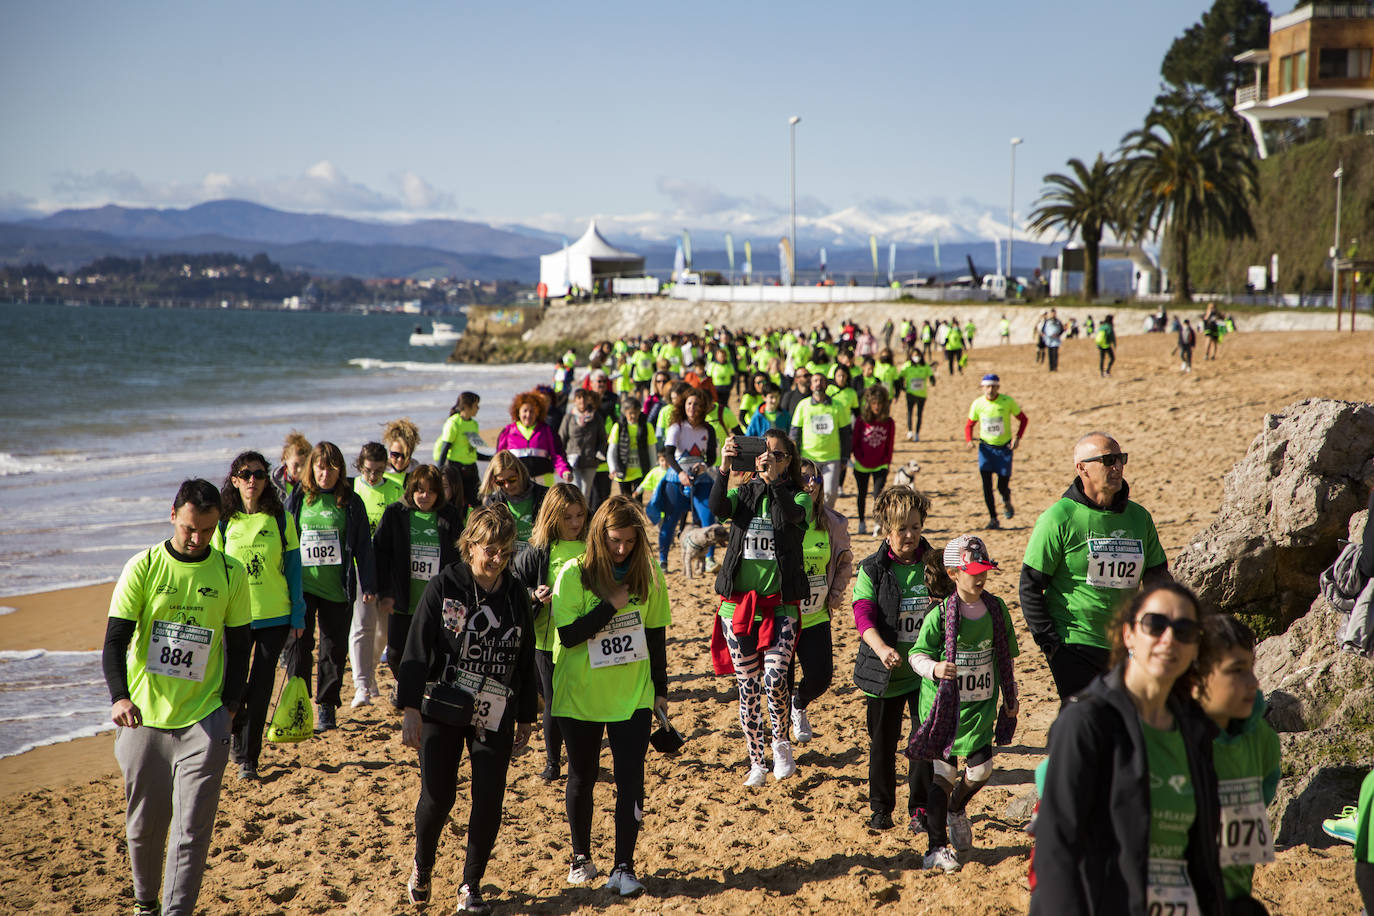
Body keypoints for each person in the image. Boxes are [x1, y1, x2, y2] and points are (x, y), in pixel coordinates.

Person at [1030, 582, 1225, 916]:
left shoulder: (1195, 729)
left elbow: (1204, 856)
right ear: (1128, 634)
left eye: (1184, 630)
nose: (1168, 639)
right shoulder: (1087, 721)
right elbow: (1056, 851)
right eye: (1155, 625)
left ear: (1195, 647)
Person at [103, 479, 251, 916]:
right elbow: (114, 642)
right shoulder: (144, 567)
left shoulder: (230, 572)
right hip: (143, 719)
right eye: (189, 528)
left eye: (207, 530)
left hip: (204, 721)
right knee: (144, 828)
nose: (196, 539)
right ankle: (146, 903)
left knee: (191, 831)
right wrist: (119, 697)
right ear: (173, 515)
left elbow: (241, 644)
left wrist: (230, 705)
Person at [397, 505, 537, 915]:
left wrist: (527, 714)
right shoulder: (445, 585)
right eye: (491, 550)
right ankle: (423, 864)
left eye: (506, 551)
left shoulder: (515, 594)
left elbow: (525, 659)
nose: (498, 559)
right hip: (443, 705)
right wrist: (410, 708)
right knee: (438, 797)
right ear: (471, 546)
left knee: (489, 798)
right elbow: (416, 649)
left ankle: (469, 884)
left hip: (495, 709)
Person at [550, 497, 671, 897]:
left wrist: (661, 691)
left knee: (630, 779)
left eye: (630, 542)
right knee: (582, 777)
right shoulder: (573, 573)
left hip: (631, 693)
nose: (623, 549)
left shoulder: (649, 574)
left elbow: (656, 635)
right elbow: (568, 636)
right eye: (616, 540)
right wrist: (611, 605)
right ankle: (581, 856)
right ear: (600, 535)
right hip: (580, 694)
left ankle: (624, 866)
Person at [1020, 432, 1170, 702]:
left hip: (1126, 645)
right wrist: (1049, 643)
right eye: (1108, 460)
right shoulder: (1058, 518)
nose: (1117, 467)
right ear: (1082, 468)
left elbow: (1158, 579)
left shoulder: (1139, 517)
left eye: (1120, 459)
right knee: (1087, 727)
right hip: (1074, 643)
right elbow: (1030, 586)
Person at [907, 535, 1019, 873]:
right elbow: (916, 656)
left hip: (980, 708)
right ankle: (935, 847)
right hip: (943, 709)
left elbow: (1006, 659)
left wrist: (1011, 699)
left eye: (984, 569)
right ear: (954, 573)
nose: (981, 576)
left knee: (982, 770)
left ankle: (957, 807)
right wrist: (936, 668)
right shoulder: (940, 615)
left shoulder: (997, 610)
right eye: (973, 571)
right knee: (944, 774)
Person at [711, 430, 811, 785]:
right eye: (765, 454)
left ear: (789, 463)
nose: (771, 460)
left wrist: (773, 483)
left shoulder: (799, 495)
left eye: (779, 456)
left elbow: (793, 518)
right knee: (748, 686)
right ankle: (757, 761)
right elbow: (717, 508)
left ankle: (781, 742)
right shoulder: (744, 494)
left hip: (780, 606)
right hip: (737, 610)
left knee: (774, 678)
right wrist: (724, 467)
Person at [851, 486, 953, 831]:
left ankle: (920, 808)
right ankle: (881, 808)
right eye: (901, 529)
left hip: (925, 674)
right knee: (881, 744)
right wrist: (882, 649)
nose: (909, 535)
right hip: (884, 675)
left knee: (923, 743)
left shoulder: (936, 564)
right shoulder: (873, 570)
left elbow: (954, 605)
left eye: (915, 527)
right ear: (885, 529)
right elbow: (863, 614)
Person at [212, 452, 305, 779]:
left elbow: (294, 569)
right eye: (246, 474)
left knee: (262, 686)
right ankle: (237, 738)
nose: (253, 480)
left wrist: (298, 614)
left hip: (275, 616)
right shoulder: (223, 522)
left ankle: (248, 759)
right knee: (233, 687)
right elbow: (213, 572)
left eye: (259, 475)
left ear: (267, 481)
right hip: (235, 618)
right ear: (235, 480)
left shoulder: (281, 520)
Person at [285, 441, 377, 731]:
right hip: (303, 587)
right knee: (299, 645)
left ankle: (327, 706)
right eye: (320, 467)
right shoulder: (299, 497)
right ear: (312, 468)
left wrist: (370, 583)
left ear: (340, 470)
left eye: (331, 468)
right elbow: (284, 539)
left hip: (338, 588)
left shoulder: (350, 501)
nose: (325, 473)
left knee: (333, 650)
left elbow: (364, 545)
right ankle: (298, 702)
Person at [1192, 614, 1280, 915]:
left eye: (1252, 669)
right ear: (1196, 677)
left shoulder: (1263, 740)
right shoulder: (1163, 738)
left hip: (1235, 897)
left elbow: (1266, 789)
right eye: (1236, 671)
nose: (1254, 682)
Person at [510, 483, 589, 783]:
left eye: (579, 515)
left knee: (582, 698)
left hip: (584, 635)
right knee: (555, 701)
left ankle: (581, 756)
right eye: (567, 517)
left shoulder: (593, 544)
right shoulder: (541, 549)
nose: (574, 523)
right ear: (552, 517)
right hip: (546, 637)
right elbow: (514, 583)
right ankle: (553, 763)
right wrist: (533, 594)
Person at [374, 465, 465, 700]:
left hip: (437, 602)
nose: (425, 496)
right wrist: (385, 592)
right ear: (411, 490)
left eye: (431, 491)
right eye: (420, 490)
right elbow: (381, 554)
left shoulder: (450, 515)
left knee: (435, 653)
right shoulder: (395, 514)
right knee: (395, 653)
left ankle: (423, 691)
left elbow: (461, 556)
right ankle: (405, 684)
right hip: (403, 599)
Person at [789, 458, 853, 744]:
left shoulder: (833, 522)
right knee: (780, 681)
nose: (811, 483)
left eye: (815, 478)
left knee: (821, 678)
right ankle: (781, 738)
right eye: (804, 478)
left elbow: (844, 563)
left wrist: (836, 594)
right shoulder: (784, 518)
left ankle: (799, 703)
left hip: (816, 614)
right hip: (785, 613)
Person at [349, 442, 403, 708]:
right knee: (362, 625)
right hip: (360, 565)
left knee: (383, 631)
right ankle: (362, 685)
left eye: (379, 471)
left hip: (387, 566)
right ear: (360, 466)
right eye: (369, 470)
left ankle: (369, 677)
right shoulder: (351, 490)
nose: (373, 476)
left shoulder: (394, 489)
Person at [659, 386, 719, 569]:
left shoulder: (708, 429)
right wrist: (681, 473)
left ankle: (709, 559)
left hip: (701, 479)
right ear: (683, 406)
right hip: (676, 479)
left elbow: (712, 456)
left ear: (703, 407)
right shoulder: (676, 427)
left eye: (696, 404)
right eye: (689, 403)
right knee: (670, 519)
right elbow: (669, 454)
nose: (692, 407)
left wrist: (704, 466)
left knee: (708, 518)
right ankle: (663, 559)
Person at [964, 374, 1027, 531]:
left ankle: (1006, 499)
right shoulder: (978, 404)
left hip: (1004, 449)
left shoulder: (1007, 401)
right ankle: (993, 518)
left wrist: (1018, 438)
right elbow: (969, 425)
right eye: (987, 386)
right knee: (986, 485)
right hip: (985, 449)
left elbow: (1023, 419)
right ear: (982, 387)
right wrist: (969, 440)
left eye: (993, 386)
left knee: (1002, 485)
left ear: (998, 387)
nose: (990, 390)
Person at [790, 371, 852, 509]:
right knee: (806, 491)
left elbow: (845, 434)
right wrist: (795, 457)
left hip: (832, 458)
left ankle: (823, 518)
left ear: (826, 384)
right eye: (815, 381)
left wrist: (845, 457)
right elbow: (794, 433)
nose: (819, 383)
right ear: (811, 386)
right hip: (808, 458)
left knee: (830, 493)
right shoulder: (803, 406)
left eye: (821, 380)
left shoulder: (837, 406)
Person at [496, 390, 571, 487]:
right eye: (525, 411)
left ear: (538, 413)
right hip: (516, 482)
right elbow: (499, 459)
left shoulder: (547, 431)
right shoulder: (508, 431)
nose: (528, 415)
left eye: (532, 411)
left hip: (543, 481)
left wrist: (564, 471)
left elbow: (557, 455)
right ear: (518, 412)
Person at [851, 385, 895, 535]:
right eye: (873, 403)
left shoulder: (889, 422)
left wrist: (887, 462)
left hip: (880, 465)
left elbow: (890, 444)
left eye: (879, 403)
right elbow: (854, 443)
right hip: (862, 465)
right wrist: (859, 457)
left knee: (878, 495)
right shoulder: (861, 421)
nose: (876, 407)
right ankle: (861, 521)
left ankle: (877, 522)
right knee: (861, 494)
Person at [480, 450, 549, 543]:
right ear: (494, 481)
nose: (507, 485)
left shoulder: (545, 495)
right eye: (501, 482)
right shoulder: (492, 503)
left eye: (512, 479)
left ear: (521, 474)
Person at [432, 392, 485, 510]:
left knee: (477, 503)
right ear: (466, 406)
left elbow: (471, 452)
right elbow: (444, 451)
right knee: (457, 504)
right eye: (476, 405)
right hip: (455, 470)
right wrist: (438, 473)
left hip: (472, 469)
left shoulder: (474, 424)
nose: (478, 408)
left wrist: (490, 458)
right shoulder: (453, 423)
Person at [560, 387, 608, 509]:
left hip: (590, 461)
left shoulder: (596, 417)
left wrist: (599, 453)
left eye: (584, 398)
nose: (582, 401)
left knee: (586, 492)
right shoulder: (569, 417)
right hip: (573, 461)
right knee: (575, 491)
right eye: (579, 398)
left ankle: (584, 521)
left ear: (588, 400)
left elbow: (603, 438)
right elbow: (561, 438)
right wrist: (562, 460)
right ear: (575, 400)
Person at [607, 394, 652, 499]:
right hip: (623, 471)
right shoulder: (618, 427)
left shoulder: (646, 426)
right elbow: (612, 450)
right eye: (630, 413)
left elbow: (651, 449)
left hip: (640, 470)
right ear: (624, 413)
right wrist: (612, 467)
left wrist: (652, 469)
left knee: (638, 501)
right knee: (626, 501)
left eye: (635, 413)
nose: (633, 416)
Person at [897, 349, 935, 442]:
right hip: (910, 393)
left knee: (919, 414)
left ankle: (917, 433)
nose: (916, 357)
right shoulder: (907, 365)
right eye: (914, 355)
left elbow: (931, 376)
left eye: (917, 355)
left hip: (922, 394)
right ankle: (910, 431)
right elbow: (900, 376)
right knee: (910, 412)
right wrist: (902, 387)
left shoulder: (925, 366)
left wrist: (932, 381)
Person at [382, 417, 422, 489]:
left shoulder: (418, 475)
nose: (400, 459)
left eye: (405, 455)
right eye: (395, 455)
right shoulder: (378, 473)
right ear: (389, 450)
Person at [272, 430, 311, 502]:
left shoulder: (313, 483)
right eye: (296, 465)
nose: (300, 469)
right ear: (285, 458)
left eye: (304, 465)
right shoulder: (274, 482)